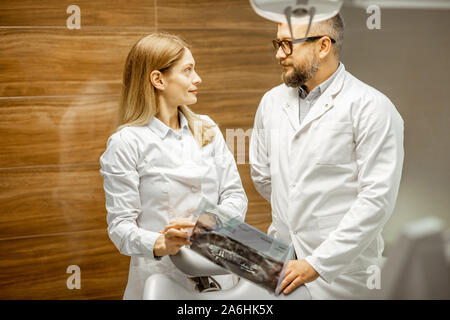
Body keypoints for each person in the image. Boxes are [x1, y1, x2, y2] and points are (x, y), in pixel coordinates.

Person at [249, 14, 404, 299]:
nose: (278, 54)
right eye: (277, 43)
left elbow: (376, 200)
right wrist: (299, 209)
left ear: (323, 46)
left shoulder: (372, 108)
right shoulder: (271, 102)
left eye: (287, 44)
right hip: (282, 263)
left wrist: (317, 262)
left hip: (343, 276)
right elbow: (262, 174)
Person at [99, 33, 248, 299]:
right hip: (160, 279)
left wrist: (206, 224)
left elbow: (235, 195)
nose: (197, 78)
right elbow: (120, 227)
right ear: (158, 80)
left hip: (220, 275)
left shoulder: (206, 128)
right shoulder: (126, 143)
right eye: (188, 70)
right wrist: (162, 243)